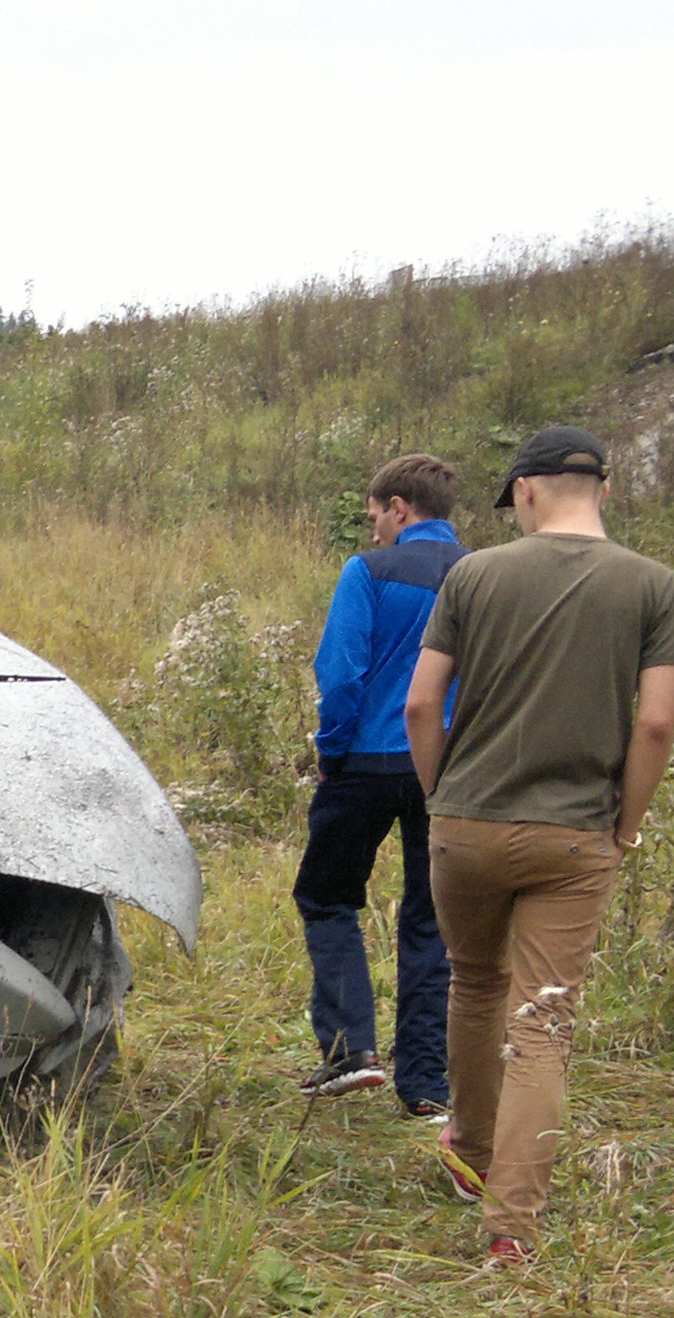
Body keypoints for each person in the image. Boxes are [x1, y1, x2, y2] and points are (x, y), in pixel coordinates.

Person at [407, 425, 674, 1266]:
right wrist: (626, 825)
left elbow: (422, 707)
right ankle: (510, 1230)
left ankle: (472, 1147)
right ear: (601, 489)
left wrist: (441, 801)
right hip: (575, 836)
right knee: (545, 1024)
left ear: (525, 491)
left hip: (466, 824)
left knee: (475, 983)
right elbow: (656, 722)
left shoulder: (474, 574)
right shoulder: (655, 586)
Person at [296, 453, 464, 1113]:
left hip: (364, 764)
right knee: (431, 922)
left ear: (400, 508)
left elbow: (341, 673)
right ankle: (425, 1087)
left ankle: (349, 1051)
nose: (372, 533)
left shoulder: (367, 571)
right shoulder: (484, 575)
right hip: (448, 771)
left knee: (328, 898)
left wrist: (332, 750)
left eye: (375, 518)